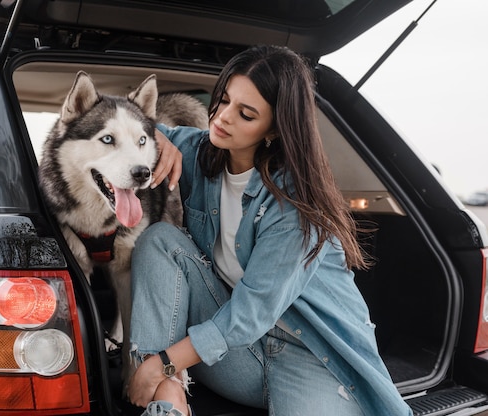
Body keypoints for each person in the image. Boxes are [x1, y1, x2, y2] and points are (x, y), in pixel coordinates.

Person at [127, 44, 412, 416]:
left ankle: (163, 374)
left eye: (245, 114)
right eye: (224, 100)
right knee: (160, 241)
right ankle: (170, 398)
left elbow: (250, 314)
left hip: (309, 357)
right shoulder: (200, 152)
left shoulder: (295, 204)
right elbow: (118, 120)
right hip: (238, 354)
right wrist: (152, 135)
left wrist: (161, 361)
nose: (222, 118)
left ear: (274, 130)